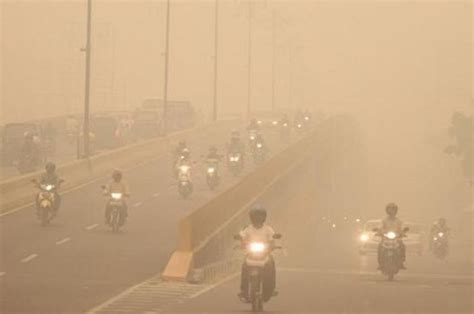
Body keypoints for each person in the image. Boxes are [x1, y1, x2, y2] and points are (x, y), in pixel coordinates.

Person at [238, 205, 277, 303]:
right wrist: (241, 242)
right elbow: (242, 237)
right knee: (244, 267)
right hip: (251, 253)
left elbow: (272, 239)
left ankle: (271, 288)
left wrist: (272, 246)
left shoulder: (268, 229)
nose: (258, 217)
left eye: (260, 215)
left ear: (264, 217)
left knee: (271, 263)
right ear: (251, 217)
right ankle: (243, 290)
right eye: (256, 215)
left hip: (265, 254)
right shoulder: (248, 229)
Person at [378, 203, 406, 269]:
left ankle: (401, 262)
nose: (391, 211)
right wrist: (379, 231)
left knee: (402, 246)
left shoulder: (398, 220)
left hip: (396, 238)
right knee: (380, 247)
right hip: (386, 238)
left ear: (396, 211)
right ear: (387, 210)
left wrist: (403, 232)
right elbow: (380, 227)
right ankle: (380, 263)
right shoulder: (384, 220)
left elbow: (402, 227)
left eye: (393, 209)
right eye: (390, 209)